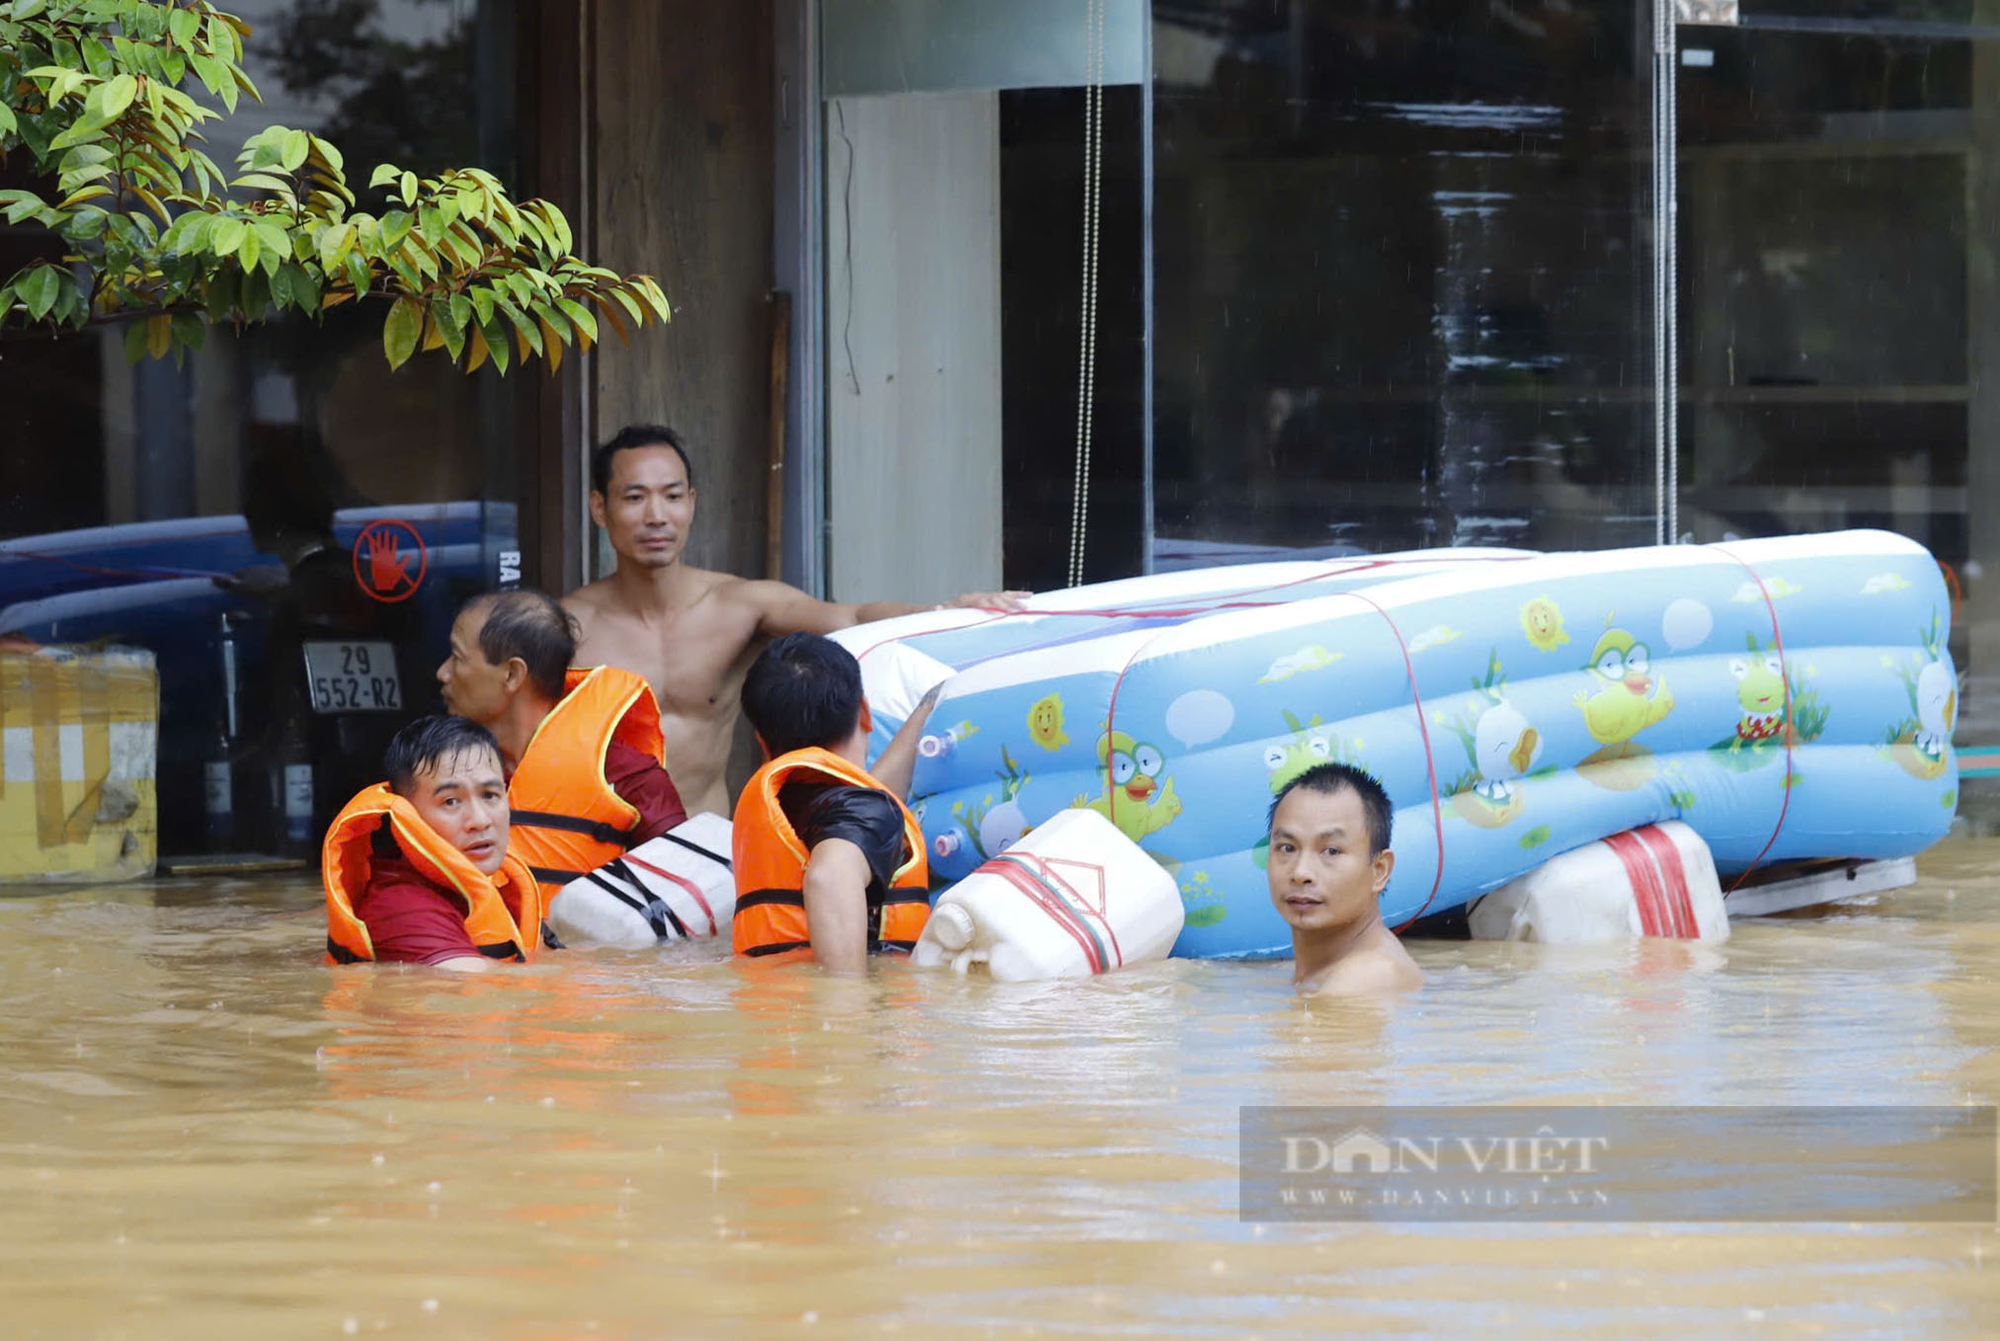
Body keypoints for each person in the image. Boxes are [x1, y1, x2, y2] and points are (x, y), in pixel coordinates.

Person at [563, 424, 1028, 816]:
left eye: (671, 496)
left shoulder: (738, 605)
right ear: (600, 507)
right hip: (605, 855)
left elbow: (853, 616)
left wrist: (943, 610)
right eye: (635, 497)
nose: (656, 516)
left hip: (707, 849)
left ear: (692, 502)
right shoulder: (569, 626)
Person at [436, 589, 687, 894]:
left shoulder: (626, 776)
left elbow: (686, 904)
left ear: (512, 675)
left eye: (458, 657)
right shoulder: (439, 770)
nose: (443, 673)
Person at [732, 632, 941, 972]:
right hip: (837, 1016)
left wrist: (924, 715)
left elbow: (864, 810)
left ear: (762, 742)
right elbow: (829, 876)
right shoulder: (859, 812)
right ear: (864, 713)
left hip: (767, 1011)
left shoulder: (787, 805)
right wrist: (846, 1013)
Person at [323, 715, 541, 970]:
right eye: (450, 801)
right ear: (407, 813)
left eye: (490, 795)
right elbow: (486, 992)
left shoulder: (493, 884)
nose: (480, 821)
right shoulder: (401, 909)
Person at [1266, 762, 1423, 996]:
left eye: (1331, 851)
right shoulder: (1328, 973)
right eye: (1287, 848)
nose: (1301, 873)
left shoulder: (1365, 978)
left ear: (1379, 870)